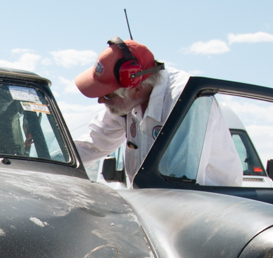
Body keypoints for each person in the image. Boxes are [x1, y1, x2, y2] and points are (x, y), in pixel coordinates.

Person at [69, 39, 194, 182]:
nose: (101, 100)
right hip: (148, 198)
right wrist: (52, 163)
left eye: (108, 95)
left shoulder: (183, 100)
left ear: (137, 89)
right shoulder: (127, 102)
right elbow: (92, 146)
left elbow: (180, 177)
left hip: (195, 200)